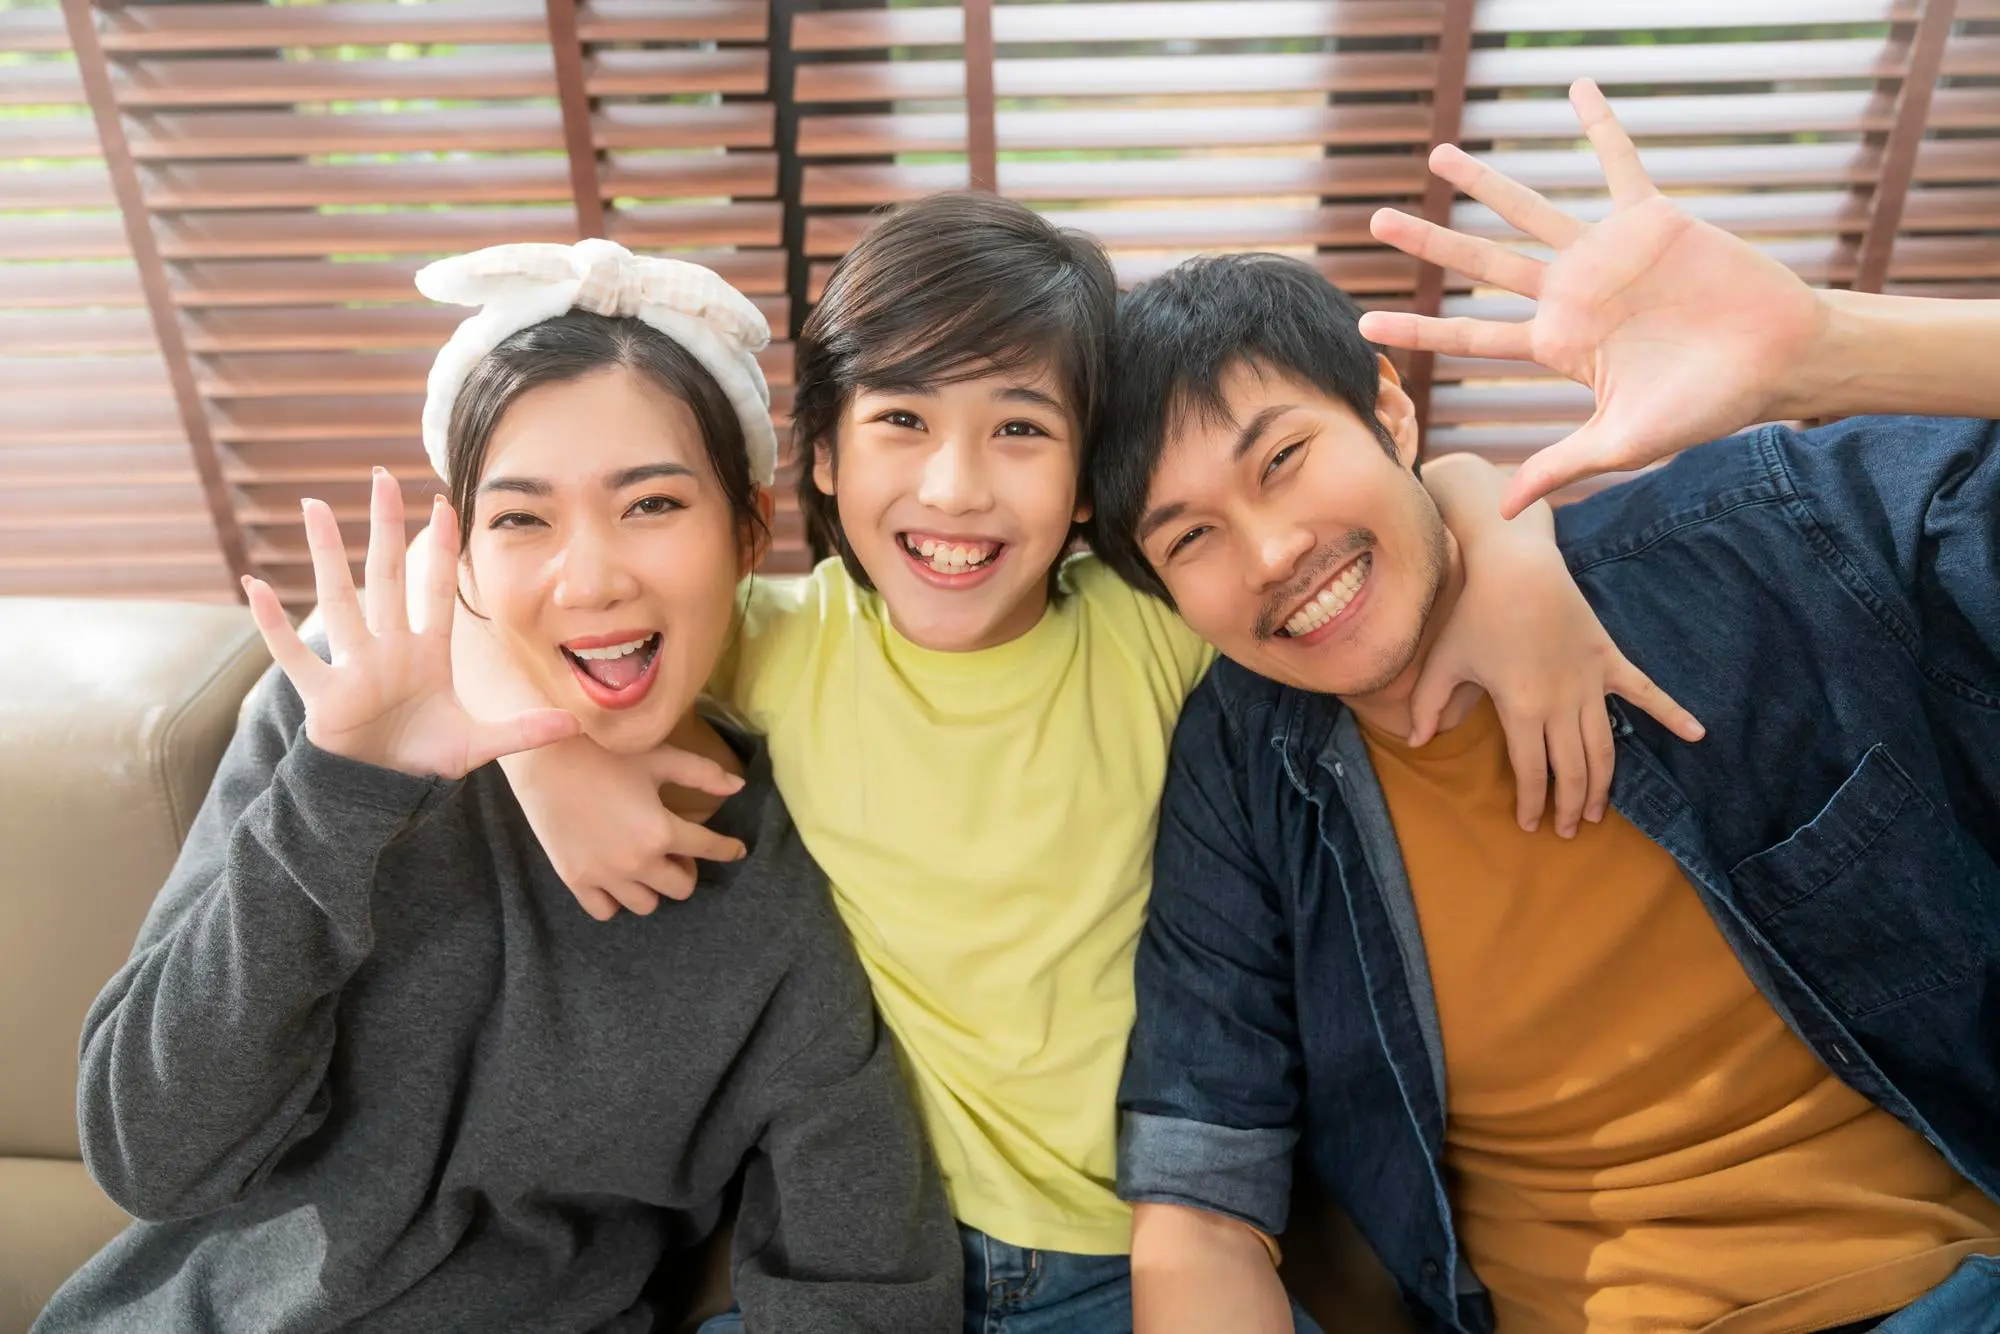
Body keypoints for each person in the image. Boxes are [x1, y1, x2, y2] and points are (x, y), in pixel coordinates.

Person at [455, 193, 1703, 1332]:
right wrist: (545, 762)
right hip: (881, 1260)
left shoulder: (1150, 627)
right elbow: (463, 596)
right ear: (825, 456)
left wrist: (1502, 535)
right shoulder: (782, 643)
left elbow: (1384, 510)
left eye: (1018, 427)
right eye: (900, 421)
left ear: (1089, 481)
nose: (955, 486)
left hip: (1147, 1254)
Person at [1093, 81, 2000, 1334]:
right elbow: (1200, 1192)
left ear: (1388, 409)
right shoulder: (1245, 762)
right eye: (1189, 536)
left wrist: (1824, 347)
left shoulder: (1766, 542)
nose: (1270, 551)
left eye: (1283, 459)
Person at [35, 246, 960, 1333]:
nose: (591, 578)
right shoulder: (337, 720)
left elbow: (866, 1287)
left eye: (652, 503)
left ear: (748, 528)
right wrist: (338, 794)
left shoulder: (777, 898)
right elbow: (150, 1155)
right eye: (522, 517)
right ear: (463, 551)